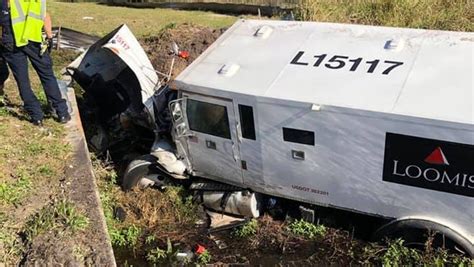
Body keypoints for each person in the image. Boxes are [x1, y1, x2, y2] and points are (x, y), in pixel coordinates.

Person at [0, 0, 70, 126]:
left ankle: (36, 116)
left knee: (22, 81)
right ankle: (62, 112)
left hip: (11, 42)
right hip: (33, 40)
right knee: (47, 75)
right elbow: (44, 15)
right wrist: (49, 37)